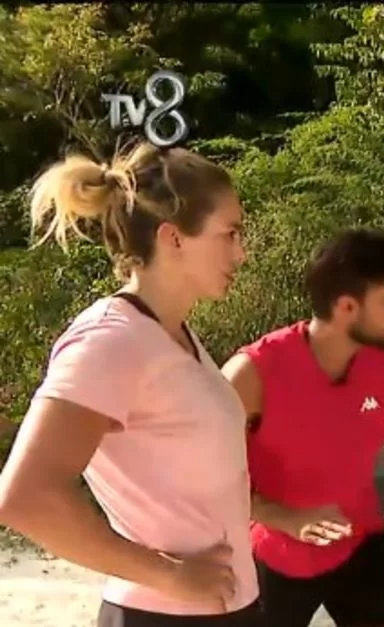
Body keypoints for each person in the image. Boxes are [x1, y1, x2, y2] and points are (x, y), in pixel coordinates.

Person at [0, 144, 257, 626]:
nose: (240, 253)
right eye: (229, 233)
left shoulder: (172, 335)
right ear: (173, 237)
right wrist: (172, 577)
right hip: (163, 617)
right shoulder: (110, 340)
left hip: (224, 610)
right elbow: (25, 498)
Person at [221, 229, 384, 627]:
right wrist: (284, 517)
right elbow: (204, 475)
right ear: (346, 306)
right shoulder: (250, 375)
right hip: (272, 552)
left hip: (359, 540)